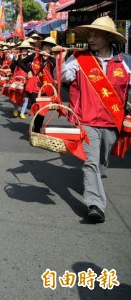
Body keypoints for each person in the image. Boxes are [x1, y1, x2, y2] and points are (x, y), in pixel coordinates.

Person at [61, 16, 131, 223]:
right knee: (90, 161)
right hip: (87, 119)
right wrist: (60, 59)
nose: (91, 39)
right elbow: (65, 77)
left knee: (101, 161)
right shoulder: (78, 59)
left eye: (96, 35)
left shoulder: (125, 61)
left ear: (108, 37)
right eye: (89, 35)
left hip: (113, 120)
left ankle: (94, 184)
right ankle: (95, 204)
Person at [16, 36, 57, 133]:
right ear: (42, 47)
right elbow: (20, 62)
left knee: (43, 109)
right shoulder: (35, 56)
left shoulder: (53, 59)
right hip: (35, 86)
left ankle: (37, 127)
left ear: (52, 49)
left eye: (49, 47)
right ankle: (36, 128)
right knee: (37, 107)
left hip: (47, 87)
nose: (47, 48)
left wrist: (50, 57)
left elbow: (57, 69)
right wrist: (29, 71)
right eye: (46, 46)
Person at [10, 40, 33, 119]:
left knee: (26, 97)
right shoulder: (17, 57)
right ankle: (16, 109)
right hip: (17, 78)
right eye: (23, 48)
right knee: (16, 95)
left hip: (26, 79)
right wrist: (15, 60)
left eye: (26, 49)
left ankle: (22, 112)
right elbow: (12, 68)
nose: (24, 50)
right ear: (20, 49)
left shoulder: (30, 59)